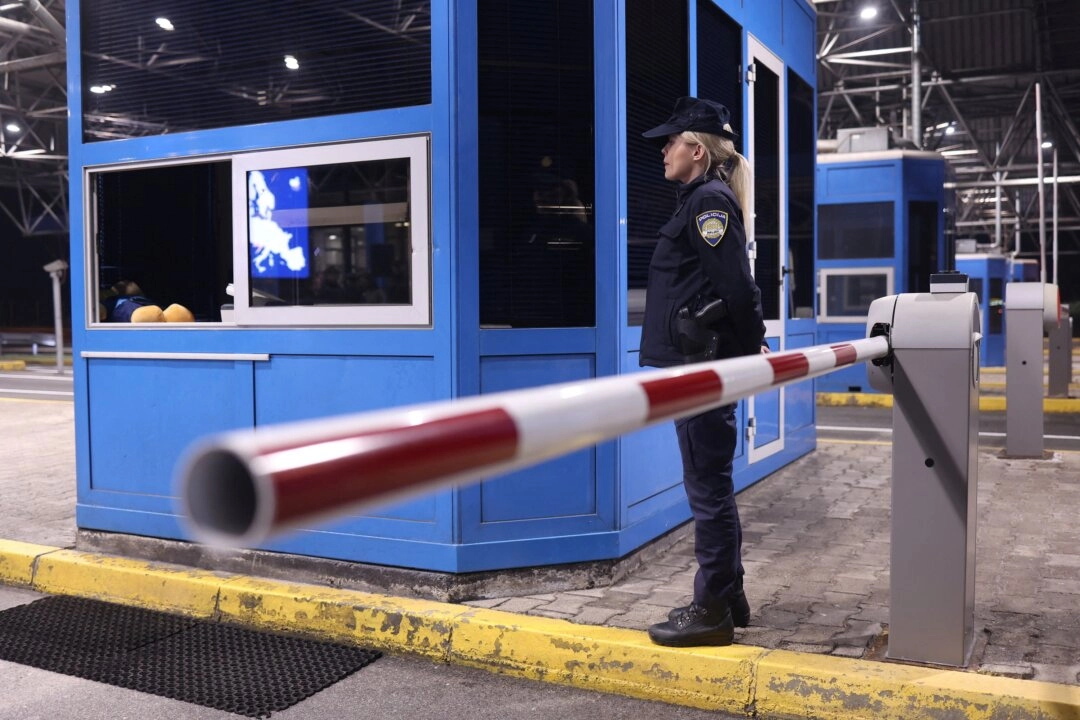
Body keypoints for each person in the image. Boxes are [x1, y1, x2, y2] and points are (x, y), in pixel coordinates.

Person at [638, 96, 768, 647]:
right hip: (696, 366)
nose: (663, 150)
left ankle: (711, 608)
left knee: (706, 488)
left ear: (696, 148)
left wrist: (753, 343)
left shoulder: (707, 203)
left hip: (700, 370)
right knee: (713, 482)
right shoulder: (699, 199)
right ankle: (730, 595)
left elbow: (736, 285)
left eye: (671, 141)